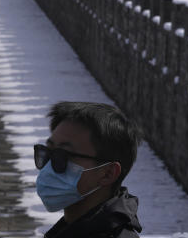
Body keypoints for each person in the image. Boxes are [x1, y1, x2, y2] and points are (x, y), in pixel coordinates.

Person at [34, 101, 142, 238]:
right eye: (47, 152)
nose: (48, 166)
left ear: (108, 173)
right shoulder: (70, 228)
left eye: (63, 155)